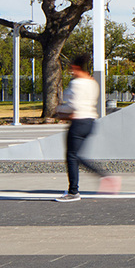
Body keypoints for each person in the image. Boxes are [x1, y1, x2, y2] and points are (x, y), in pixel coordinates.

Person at [54, 54, 117, 201]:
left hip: (78, 122)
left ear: (76, 68)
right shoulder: (92, 82)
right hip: (90, 121)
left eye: (72, 69)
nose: (71, 72)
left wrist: (59, 110)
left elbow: (73, 106)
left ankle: (73, 191)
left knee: (71, 156)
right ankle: (104, 177)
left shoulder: (77, 83)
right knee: (77, 156)